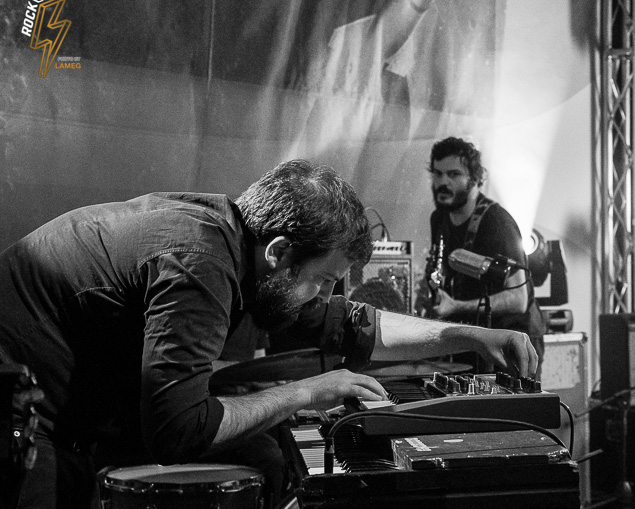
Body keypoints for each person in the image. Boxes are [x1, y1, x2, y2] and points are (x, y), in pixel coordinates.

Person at [0, 159, 537, 509]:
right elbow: (179, 429)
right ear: (280, 252)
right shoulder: (201, 262)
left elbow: (350, 324)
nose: (322, 294)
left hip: (64, 405)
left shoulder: (242, 246)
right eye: (322, 279)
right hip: (20, 410)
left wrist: (470, 335)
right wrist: (306, 392)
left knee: (260, 452)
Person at [415, 137, 547, 376]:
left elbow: (518, 299)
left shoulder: (496, 222)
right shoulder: (439, 218)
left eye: (454, 174)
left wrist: (455, 306)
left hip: (512, 343)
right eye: (437, 173)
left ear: (475, 178)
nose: (442, 182)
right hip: (474, 337)